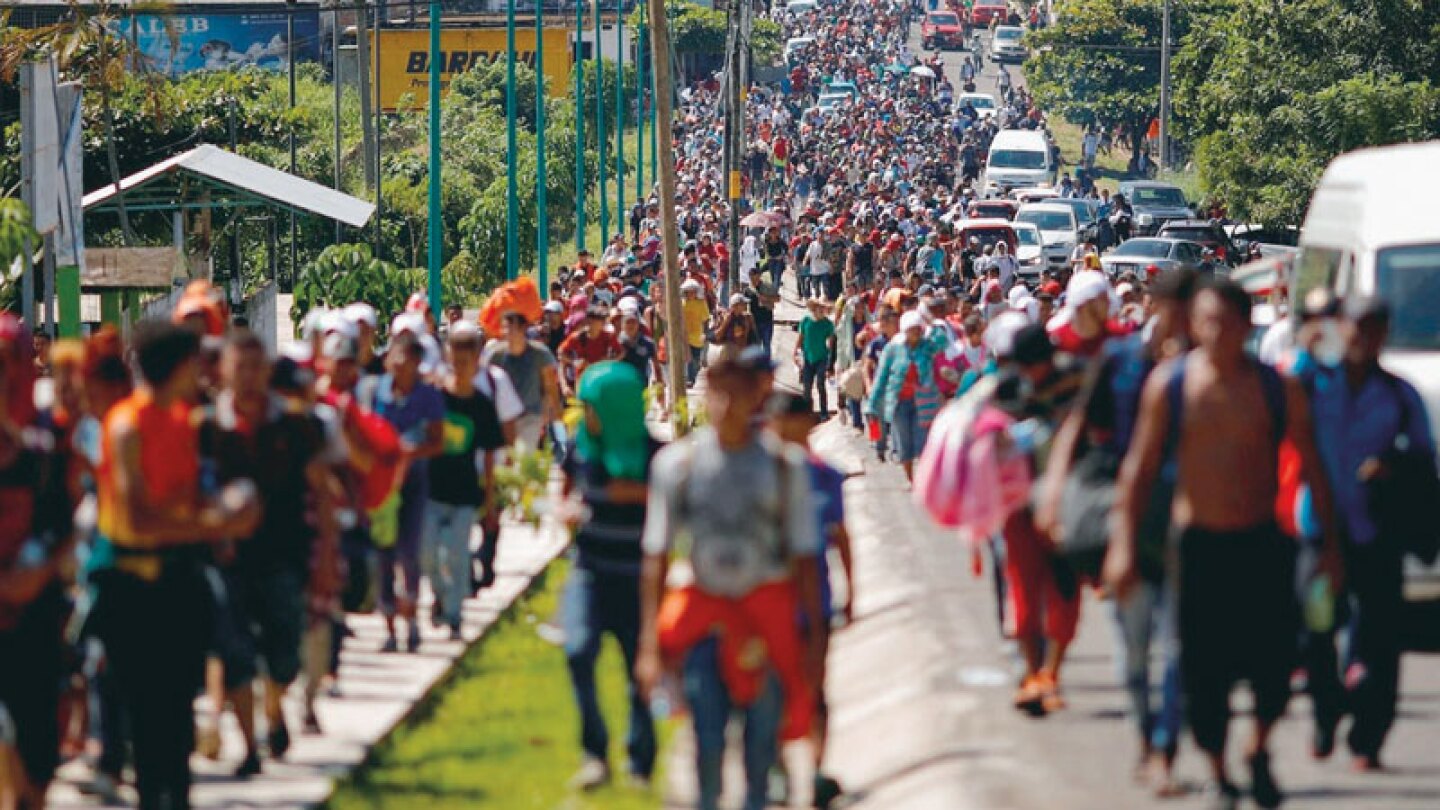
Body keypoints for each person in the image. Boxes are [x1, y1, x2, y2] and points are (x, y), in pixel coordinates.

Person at [1109, 279, 1341, 809]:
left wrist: (1329, 544)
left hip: (1261, 543)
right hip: (1196, 548)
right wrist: (1122, 548)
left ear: (1246, 326)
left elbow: (1313, 468)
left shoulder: (1277, 389)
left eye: (1226, 321)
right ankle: (1218, 771)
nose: (1214, 332)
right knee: (1201, 674)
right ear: (1194, 324)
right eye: (1205, 321)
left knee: (1275, 668)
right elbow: (1138, 473)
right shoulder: (1171, 385)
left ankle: (1257, 749)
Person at [1036, 268, 1198, 794]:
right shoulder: (1122, 362)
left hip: (1189, 519)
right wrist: (1056, 494)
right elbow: (1077, 427)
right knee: (1132, 647)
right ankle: (1147, 740)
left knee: (1179, 647)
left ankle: (1165, 750)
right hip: (1121, 518)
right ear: (1152, 308)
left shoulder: (1212, 373)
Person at [636, 357, 823, 810]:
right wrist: (649, 640)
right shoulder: (676, 465)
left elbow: (804, 557)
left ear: (757, 394)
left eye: (741, 388)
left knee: (761, 747)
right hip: (705, 620)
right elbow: (657, 555)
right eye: (721, 387)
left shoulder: (786, 468)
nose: (730, 400)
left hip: (767, 619)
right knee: (707, 740)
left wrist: (814, 636)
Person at [96, 323, 261, 810]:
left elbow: (184, 500)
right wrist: (215, 525)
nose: (204, 374)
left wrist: (227, 507)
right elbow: (139, 519)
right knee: (148, 715)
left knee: (176, 711)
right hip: (130, 586)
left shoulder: (184, 421)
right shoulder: (127, 426)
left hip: (178, 581)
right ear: (176, 367)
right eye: (196, 364)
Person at [1301, 297, 1434, 771]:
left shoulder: (1400, 395)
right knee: (1317, 632)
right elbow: (1281, 400)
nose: (1362, 336)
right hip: (1319, 535)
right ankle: (1325, 712)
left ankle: (1368, 738)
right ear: (1341, 328)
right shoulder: (1315, 382)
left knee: (1380, 641)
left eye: (1373, 328)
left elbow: (1423, 461)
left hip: (1377, 537)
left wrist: (1391, 466)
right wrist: (1306, 345)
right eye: (1355, 326)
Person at [201, 331, 334, 778]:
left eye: (257, 368)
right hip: (227, 560)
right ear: (223, 371)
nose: (249, 377)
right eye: (240, 367)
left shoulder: (297, 426)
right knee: (234, 652)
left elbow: (324, 492)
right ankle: (250, 746)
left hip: (284, 557)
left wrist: (328, 558)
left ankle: (276, 710)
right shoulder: (207, 428)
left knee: (283, 657)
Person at [560, 362, 660, 791]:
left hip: (637, 575)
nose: (587, 414)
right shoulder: (581, 449)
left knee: (639, 670)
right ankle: (595, 751)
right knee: (578, 651)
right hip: (590, 571)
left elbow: (677, 509)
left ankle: (641, 759)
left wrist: (638, 493)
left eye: (593, 405)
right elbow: (565, 490)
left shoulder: (656, 457)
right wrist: (565, 510)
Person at [767, 391, 854, 808]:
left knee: (816, 691)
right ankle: (780, 769)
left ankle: (818, 770)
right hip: (768, 600)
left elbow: (840, 535)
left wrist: (851, 591)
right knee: (773, 692)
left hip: (814, 599)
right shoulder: (760, 475)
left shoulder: (826, 476)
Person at [0, 316, 72, 810]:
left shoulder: (51, 443)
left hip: (39, 619)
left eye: (11, 363)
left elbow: (80, 524)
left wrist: (41, 573)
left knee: (37, 767)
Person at [363, 330, 445, 654]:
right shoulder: (375, 392)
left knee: (409, 551)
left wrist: (410, 453)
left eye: (405, 358)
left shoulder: (428, 396)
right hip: (382, 484)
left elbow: (437, 442)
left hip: (414, 482)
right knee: (383, 553)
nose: (397, 364)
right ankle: (388, 625)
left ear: (416, 363)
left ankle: (411, 621)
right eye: (393, 356)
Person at [425, 323, 506, 640]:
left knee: (457, 553)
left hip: (463, 493)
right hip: (432, 490)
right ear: (447, 357)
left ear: (477, 361)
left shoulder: (482, 406)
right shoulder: (435, 398)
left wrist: (490, 502)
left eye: (466, 361)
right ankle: (441, 594)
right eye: (455, 360)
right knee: (429, 553)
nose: (460, 368)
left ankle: (455, 612)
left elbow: (488, 457)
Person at [868, 310, 946, 481]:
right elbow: (881, 377)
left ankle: (925, 480)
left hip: (922, 402)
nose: (916, 333)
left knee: (922, 443)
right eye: (912, 330)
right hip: (898, 404)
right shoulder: (893, 349)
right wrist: (872, 403)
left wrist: (930, 320)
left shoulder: (927, 346)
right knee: (904, 444)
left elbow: (943, 340)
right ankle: (911, 479)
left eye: (918, 329)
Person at [484, 311, 561, 451]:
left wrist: (553, 413)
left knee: (523, 454)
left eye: (512, 327)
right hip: (503, 418)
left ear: (523, 328)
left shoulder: (540, 354)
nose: (508, 332)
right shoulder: (495, 355)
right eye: (505, 327)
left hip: (531, 415)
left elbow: (550, 385)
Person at [796, 297, 837, 417]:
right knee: (807, 386)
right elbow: (800, 338)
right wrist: (796, 353)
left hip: (822, 358)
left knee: (820, 384)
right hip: (807, 358)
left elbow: (830, 344)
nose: (821, 310)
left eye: (823, 308)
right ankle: (807, 412)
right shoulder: (806, 321)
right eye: (819, 308)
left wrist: (830, 364)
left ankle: (824, 412)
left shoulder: (828, 324)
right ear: (814, 308)